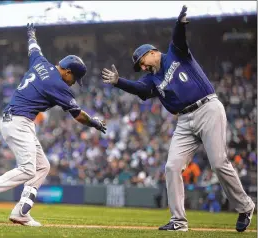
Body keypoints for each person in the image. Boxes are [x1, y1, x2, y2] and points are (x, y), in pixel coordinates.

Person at [101, 5, 255, 232]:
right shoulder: (151, 80)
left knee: (218, 163)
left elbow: (179, 38)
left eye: (142, 61)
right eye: (139, 66)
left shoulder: (175, 53)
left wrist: (179, 23)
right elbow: (138, 89)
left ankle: (245, 206)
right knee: (172, 167)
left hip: (207, 108)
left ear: (152, 52)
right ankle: (178, 221)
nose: (142, 67)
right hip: (184, 121)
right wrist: (119, 82)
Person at [0, 23, 106, 227]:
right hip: (18, 122)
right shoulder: (58, 84)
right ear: (67, 71)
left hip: (14, 119)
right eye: (74, 78)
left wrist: (31, 33)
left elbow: (33, 48)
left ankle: (21, 211)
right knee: (27, 170)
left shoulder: (40, 62)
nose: (73, 82)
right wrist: (94, 122)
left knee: (42, 166)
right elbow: (78, 116)